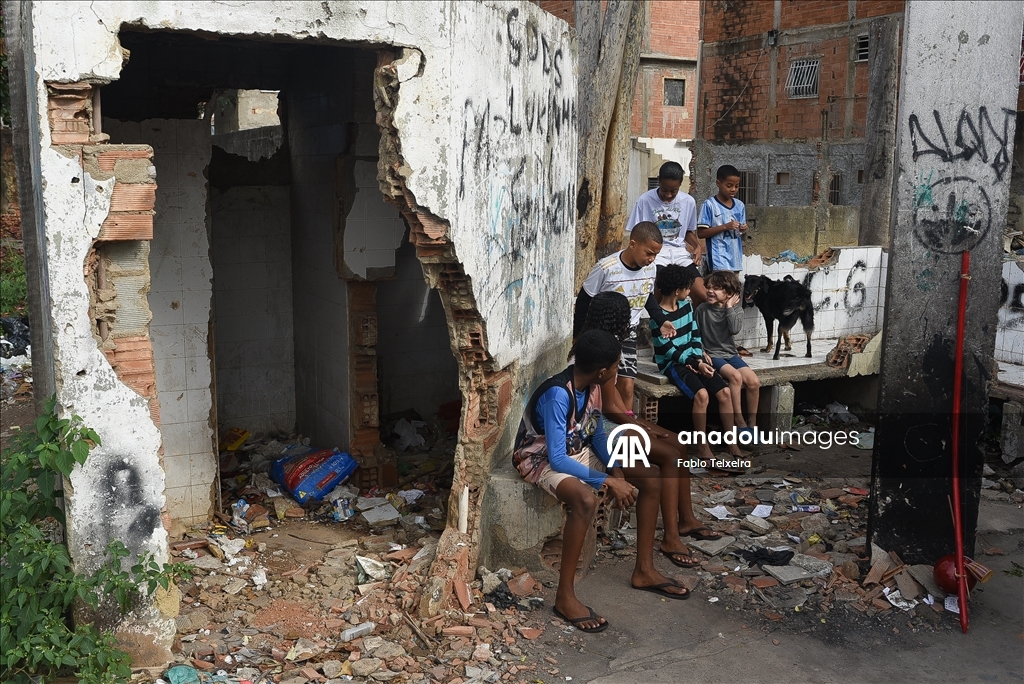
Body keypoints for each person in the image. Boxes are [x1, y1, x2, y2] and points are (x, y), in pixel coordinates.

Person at [513, 330, 689, 634]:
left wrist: (617, 471)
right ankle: (564, 597)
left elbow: (595, 434)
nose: (617, 371)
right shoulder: (559, 394)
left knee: (651, 478)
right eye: (617, 366)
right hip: (540, 457)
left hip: (576, 449)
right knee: (585, 500)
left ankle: (644, 571)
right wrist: (607, 479)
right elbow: (556, 459)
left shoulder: (591, 386)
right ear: (603, 371)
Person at [571, 293, 723, 567]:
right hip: (599, 427)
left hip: (609, 420)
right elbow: (605, 405)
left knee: (677, 443)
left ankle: (686, 519)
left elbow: (614, 398)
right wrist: (634, 425)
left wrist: (635, 420)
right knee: (668, 454)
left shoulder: (605, 342)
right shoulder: (599, 349)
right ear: (617, 318)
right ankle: (671, 536)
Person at [575, 221, 674, 421]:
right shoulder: (606, 267)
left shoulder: (650, 269)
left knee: (628, 385)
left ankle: (624, 428)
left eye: (655, 254)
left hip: (628, 332)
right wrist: (579, 336)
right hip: (603, 333)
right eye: (649, 253)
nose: (652, 259)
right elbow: (584, 301)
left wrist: (661, 320)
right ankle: (602, 423)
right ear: (633, 244)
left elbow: (647, 297)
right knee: (605, 383)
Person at [650, 265, 746, 462]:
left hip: (695, 359)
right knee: (702, 395)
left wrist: (699, 358)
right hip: (674, 364)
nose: (690, 292)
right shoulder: (658, 318)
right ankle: (702, 446)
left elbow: (695, 335)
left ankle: (731, 442)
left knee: (725, 392)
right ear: (678, 291)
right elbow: (669, 351)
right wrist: (693, 362)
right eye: (687, 288)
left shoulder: (686, 306)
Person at [626, 161, 706, 305]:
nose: (668, 195)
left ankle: (690, 324)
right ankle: (660, 324)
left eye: (673, 191)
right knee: (660, 294)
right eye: (664, 190)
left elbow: (687, 231)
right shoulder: (644, 201)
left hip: (680, 253)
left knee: (702, 295)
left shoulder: (688, 202)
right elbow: (636, 234)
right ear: (658, 181)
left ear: (680, 185)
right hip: (656, 254)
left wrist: (697, 246)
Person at [697, 271, 760, 436]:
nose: (710, 291)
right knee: (736, 377)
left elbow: (734, 329)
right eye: (709, 287)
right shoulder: (702, 309)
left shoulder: (736, 310)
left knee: (753, 381)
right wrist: (702, 351)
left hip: (730, 354)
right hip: (713, 355)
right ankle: (738, 421)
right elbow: (695, 334)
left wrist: (729, 307)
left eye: (717, 288)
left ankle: (752, 423)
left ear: (730, 293)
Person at [697, 164, 747, 273]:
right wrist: (725, 227)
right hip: (718, 261)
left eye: (737, 186)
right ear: (718, 183)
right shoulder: (709, 205)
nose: (733, 189)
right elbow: (701, 233)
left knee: (733, 289)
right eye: (729, 186)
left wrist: (742, 229)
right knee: (720, 289)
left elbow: (739, 233)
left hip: (735, 260)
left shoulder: (740, 205)